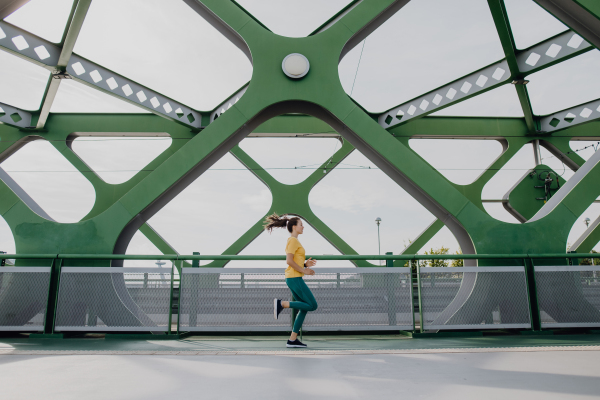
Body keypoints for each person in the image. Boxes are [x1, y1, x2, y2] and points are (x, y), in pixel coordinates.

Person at [264, 213, 317, 348]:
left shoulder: (295, 241)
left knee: (304, 308)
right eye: (301, 225)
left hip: (294, 277)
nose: (303, 227)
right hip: (294, 278)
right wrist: (304, 270)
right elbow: (289, 261)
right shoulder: (292, 240)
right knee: (312, 305)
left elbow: (294, 261)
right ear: (294, 226)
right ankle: (282, 304)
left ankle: (292, 340)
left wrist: (305, 265)